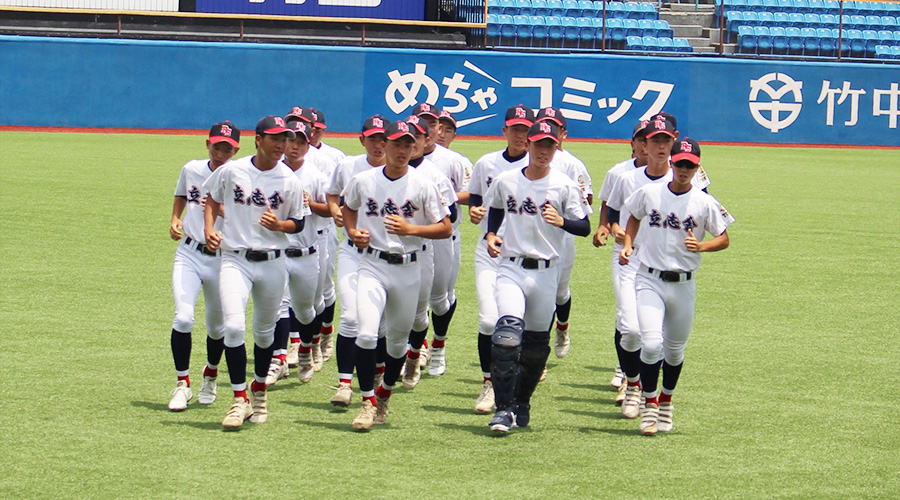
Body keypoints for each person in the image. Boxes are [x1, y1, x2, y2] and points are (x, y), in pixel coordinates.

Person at [341, 120, 452, 431]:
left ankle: (385, 393)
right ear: (384, 146)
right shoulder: (364, 180)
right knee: (365, 333)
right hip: (371, 264)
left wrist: (412, 229)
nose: (402, 150)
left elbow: (444, 227)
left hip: (408, 267)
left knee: (397, 344)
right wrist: (352, 231)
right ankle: (367, 402)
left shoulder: (422, 184)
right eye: (396, 144)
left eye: (408, 144)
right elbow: (347, 207)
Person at [484, 120, 591, 434]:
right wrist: (491, 234)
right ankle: (502, 410)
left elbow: (584, 227)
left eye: (549, 146)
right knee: (505, 335)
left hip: (546, 272)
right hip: (511, 267)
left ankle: (522, 401)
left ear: (556, 148)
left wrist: (561, 221)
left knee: (534, 348)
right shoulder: (506, 180)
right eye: (538, 145)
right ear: (527, 145)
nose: (543, 151)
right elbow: (496, 208)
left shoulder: (564, 185)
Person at [203, 115, 310, 429]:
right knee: (233, 327)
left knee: (264, 334)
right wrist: (210, 229)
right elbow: (211, 198)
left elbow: (299, 222)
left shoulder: (290, 180)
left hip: (273, 262)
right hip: (234, 259)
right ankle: (239, 399)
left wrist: (280, 225)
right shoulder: (233, 171)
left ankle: (259, 388)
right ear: (258, 139)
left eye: (286, 139)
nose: (281, 145)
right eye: (275, 138)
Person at [619, 137, 730, 435]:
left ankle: (666, 401)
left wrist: (703, 246)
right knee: (651, 343)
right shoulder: (650, 193)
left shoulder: (704, 202)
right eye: (679, 163)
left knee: (675, 350)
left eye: (690, 166)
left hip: (683, 283)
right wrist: (628, 244)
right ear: (672, 162)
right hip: (649, 278)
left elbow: (724, 237)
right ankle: (650, 404)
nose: (683, 170)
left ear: (696, 169)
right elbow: (633, 216)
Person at [604, 114, 679, 421]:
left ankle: (649, 391)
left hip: (665, 261)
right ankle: (633, 386)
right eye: (653, 139)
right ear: (642, 144)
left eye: (665, 140)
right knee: (631, 327)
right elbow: (610, 209)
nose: (659, 146)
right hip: (629, 257)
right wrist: (609, 228)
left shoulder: (683, 174)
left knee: (657, 336)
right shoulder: (626, 178)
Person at [166, 121, 240, 411]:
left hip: (224, 260)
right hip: (190, 254)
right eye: (217, 145)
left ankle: (210, 374)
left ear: (236, 150)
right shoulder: (192, 168)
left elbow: (248, 216)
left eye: (227, 148)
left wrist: (222, 209)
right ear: (207, 144)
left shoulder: (240, 177)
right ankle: (182, 384)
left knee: (216, 326)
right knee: (183, 317)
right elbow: (182, 193)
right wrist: (175, 217)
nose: (221, 152)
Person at [465, 104, 534, 415]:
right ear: (504, 130)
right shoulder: (486, 163)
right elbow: (478, 200)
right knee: (490, 320)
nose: (520, 135)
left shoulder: (540, 167)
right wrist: (475, 211)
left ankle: (517, 381)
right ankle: (490, 383)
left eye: (525, 129)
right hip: (490, 251)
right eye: (515, 128)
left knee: (526, 325)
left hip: (525, 255)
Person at [325, 115, 387, 407]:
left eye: (382, 138)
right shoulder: (348, 166)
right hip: (353, 250)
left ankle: (377, 373)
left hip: (388, 257)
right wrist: (336, 209)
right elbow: (332, 192)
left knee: (382, 323)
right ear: (362, 140)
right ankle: (344, 383)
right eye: (372, 138)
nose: (377, 144)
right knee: (350, 316)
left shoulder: (401, 171)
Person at [265, 120, 331, 386]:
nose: (294, 146)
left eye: (301, 142)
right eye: (290, 141)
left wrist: (309, 203)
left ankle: (305, 349)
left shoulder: (315, 175)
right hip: (279, 251)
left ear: (307, 146)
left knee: (306, 311)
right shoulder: (272, 173)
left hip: (307, 251)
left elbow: (331, 211)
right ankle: (278, 359)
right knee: (279, 307)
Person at [593, 119, 650, 403]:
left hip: (658, 256)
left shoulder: (675, 172)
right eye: (641, 138)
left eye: (649, 139)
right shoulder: (620, 173)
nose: (645, 144)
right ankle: (629, 375)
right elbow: (609, 205)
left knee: (650, 322)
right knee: (627, 317)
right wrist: (607, 226)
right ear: (633, 143)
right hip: (625, 252)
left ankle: (635, 376)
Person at [399, 113, 458, 388]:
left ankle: (439, 345)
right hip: (399, 249)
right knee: (406, 307)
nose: (412, 144)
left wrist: (416, 225)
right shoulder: (389, 170)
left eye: (417, 138)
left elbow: (453, 215)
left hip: (435, 245)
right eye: (407, 139)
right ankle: (413, 351)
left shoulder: (435, 175)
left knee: (439, 301)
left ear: (426, 139)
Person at [416, 104, 474, 376]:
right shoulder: (398, 155)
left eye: (432, 122)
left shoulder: (452, 161)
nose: (428, 127)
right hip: (407, 238)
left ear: (438, 127)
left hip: (443, 238)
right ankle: (419, 346)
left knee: (439, 299)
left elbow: (473, 193)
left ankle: (439, 344)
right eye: (422, 121)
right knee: (411, 298)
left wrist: (443, 197)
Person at [534, 107, 594, 366]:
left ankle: (562, 326)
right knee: (538, 292)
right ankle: (539, 350)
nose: (548, 130)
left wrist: (563, 219)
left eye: (554, 127)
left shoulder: (571, 164)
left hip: (563, 235)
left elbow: (586, 203)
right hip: (531, 233)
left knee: (559, 292)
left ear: (563, 134)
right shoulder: (527, 158)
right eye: (543, 124)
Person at [285, 107, 339, 363]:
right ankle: (295, 343)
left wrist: (308, 204)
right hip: (287, 238)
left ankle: (321, 336)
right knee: (286, 295)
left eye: (304, 126)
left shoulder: (331, 159)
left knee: (322, 293)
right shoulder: (278, 161)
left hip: (321, 234)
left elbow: (333, 204)